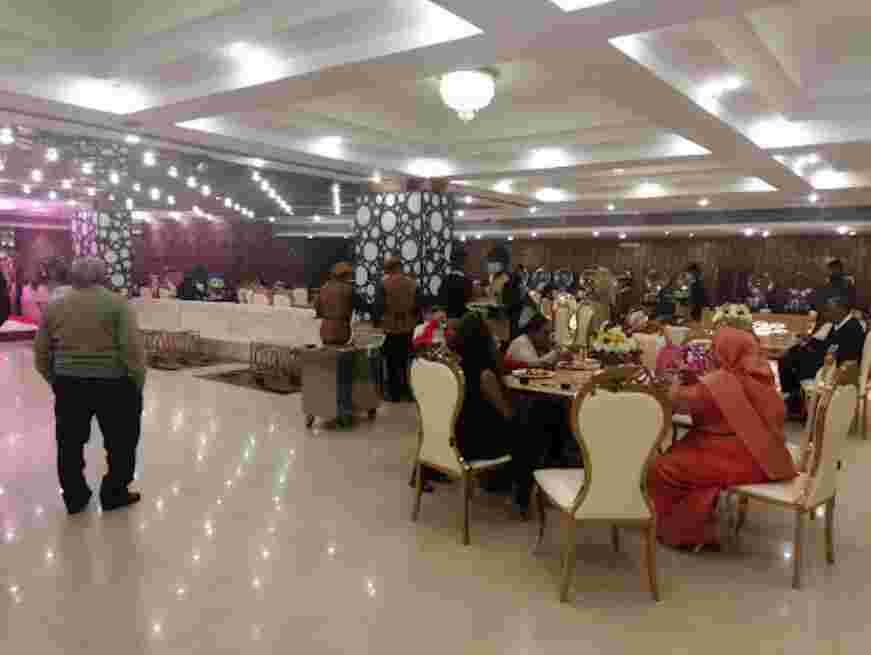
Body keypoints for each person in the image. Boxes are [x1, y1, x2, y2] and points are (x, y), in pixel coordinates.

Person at [647, 327, 796, 548]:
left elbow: (676, 400)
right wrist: (698, 380)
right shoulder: (759, 377)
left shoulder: (722, 381)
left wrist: (678, 379)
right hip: (770, 455)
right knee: (683, 453)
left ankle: (681, 532)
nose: (712, 353)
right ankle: (697, 525)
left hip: (744, 459)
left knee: (663, 467)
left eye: (715, 349)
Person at [33, 257, 146, 514]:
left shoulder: (54, 306)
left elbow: (41, 351)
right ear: (102, 276)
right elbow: (132, 350)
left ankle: (75, 496)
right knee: (121, 442)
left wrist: (55, 379)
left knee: (69, 444)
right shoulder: (117, 304)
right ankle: (114, 492)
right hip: (114, 385)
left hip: (69, 384)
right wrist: (137, 382)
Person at [449, 312, 552, 512]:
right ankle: (521, 499)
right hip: (478, 444)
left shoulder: (457, 368)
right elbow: (506, 413)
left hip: (461, 436)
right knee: (533, 433)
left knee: (527, 422)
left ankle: (503, 482)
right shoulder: (485, 375)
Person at [779, 296, 865, 415]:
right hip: (826, 360)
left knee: (791, 361)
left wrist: (810, 352)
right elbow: (827, 344)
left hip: (835, 369)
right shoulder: (838, 324)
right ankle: (794, 399)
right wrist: (804, 346)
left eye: (829, 311)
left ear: (841, 310)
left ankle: (794, 401)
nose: (826, 314)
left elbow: (842, 357)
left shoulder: (852, 328)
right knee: (790, 355)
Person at [375, 256, 419, 401]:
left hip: (390, 327)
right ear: (400, 267)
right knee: (408, 361)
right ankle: (409, 392)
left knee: (391, 362)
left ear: (390, 269)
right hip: (408, 327)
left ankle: (395, 394)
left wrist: (377, 322)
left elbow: (379, 306)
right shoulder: (413, 283)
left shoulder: (383, 284)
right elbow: (418, 306)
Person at [315, 262, 359, 346]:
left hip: (325, 329)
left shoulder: (324, 288)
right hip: (342, 330)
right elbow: (360, 305)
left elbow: (317, 307)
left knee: (328, 352)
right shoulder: (349, 289)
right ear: (344, 275)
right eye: (349, 275)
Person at [439, 246, 474, 319]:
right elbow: (469, 301)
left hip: (447, 318)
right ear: (463, 264)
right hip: (462, 319)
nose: (469, 264)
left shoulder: (445, 280)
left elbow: (441, 300)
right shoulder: (466, 282)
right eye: (467, 262)